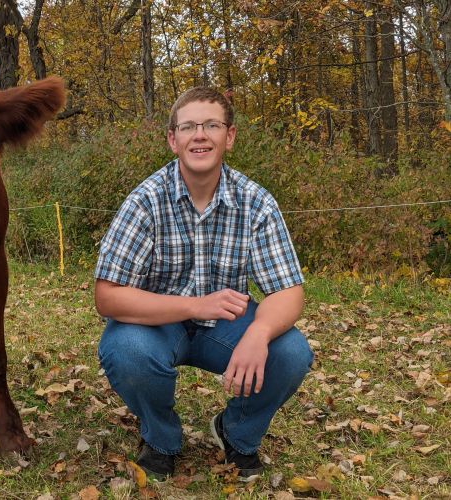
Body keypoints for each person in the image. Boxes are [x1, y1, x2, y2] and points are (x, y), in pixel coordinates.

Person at [94, 87, 313, 480]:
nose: (200, 135)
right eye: (189, 126)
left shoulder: (256, 202)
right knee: (125, 347)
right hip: (158, 327)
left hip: (226, 329)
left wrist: (259, 332)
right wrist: (195, 306)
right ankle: (161, 440)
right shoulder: (144, 201)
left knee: (292, 351)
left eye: (211, 125)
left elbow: (288, 291)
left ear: (229, 137)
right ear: (172, 139)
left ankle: (236, 434)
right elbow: (107, 297)